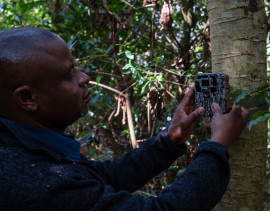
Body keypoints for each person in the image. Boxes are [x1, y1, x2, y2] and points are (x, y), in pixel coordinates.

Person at [0, 27, 250, 210]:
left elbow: (103, 177)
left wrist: (170, 139)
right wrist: (217, 146)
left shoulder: (24, 146)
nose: (84, 77)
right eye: (68, 74)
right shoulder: (36, 183)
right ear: (27, 99)